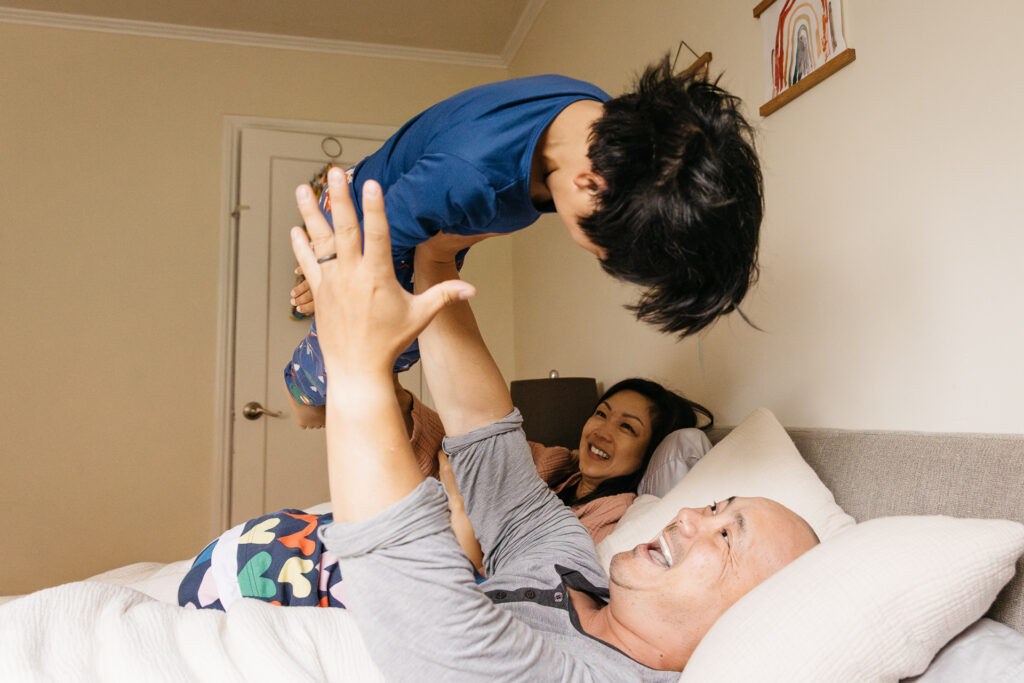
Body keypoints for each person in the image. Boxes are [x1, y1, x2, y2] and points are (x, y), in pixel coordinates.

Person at [201, 168, 814, 677]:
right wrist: (437, 261)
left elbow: (436, 634)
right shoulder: (575, 568)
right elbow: (494, 456)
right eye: (713, 508)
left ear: (748, 616)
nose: (688, 516)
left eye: (727, 535)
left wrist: (358, 364)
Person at [284, 54, 764, 428]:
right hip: (368, 218)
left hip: (399, 203)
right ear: (588, 183)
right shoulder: (467, 177)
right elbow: (369, 240)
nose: (598, 254)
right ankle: (299, 390)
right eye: (603, 250)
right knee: (375, 354)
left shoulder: (592, 112)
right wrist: (327, 277)